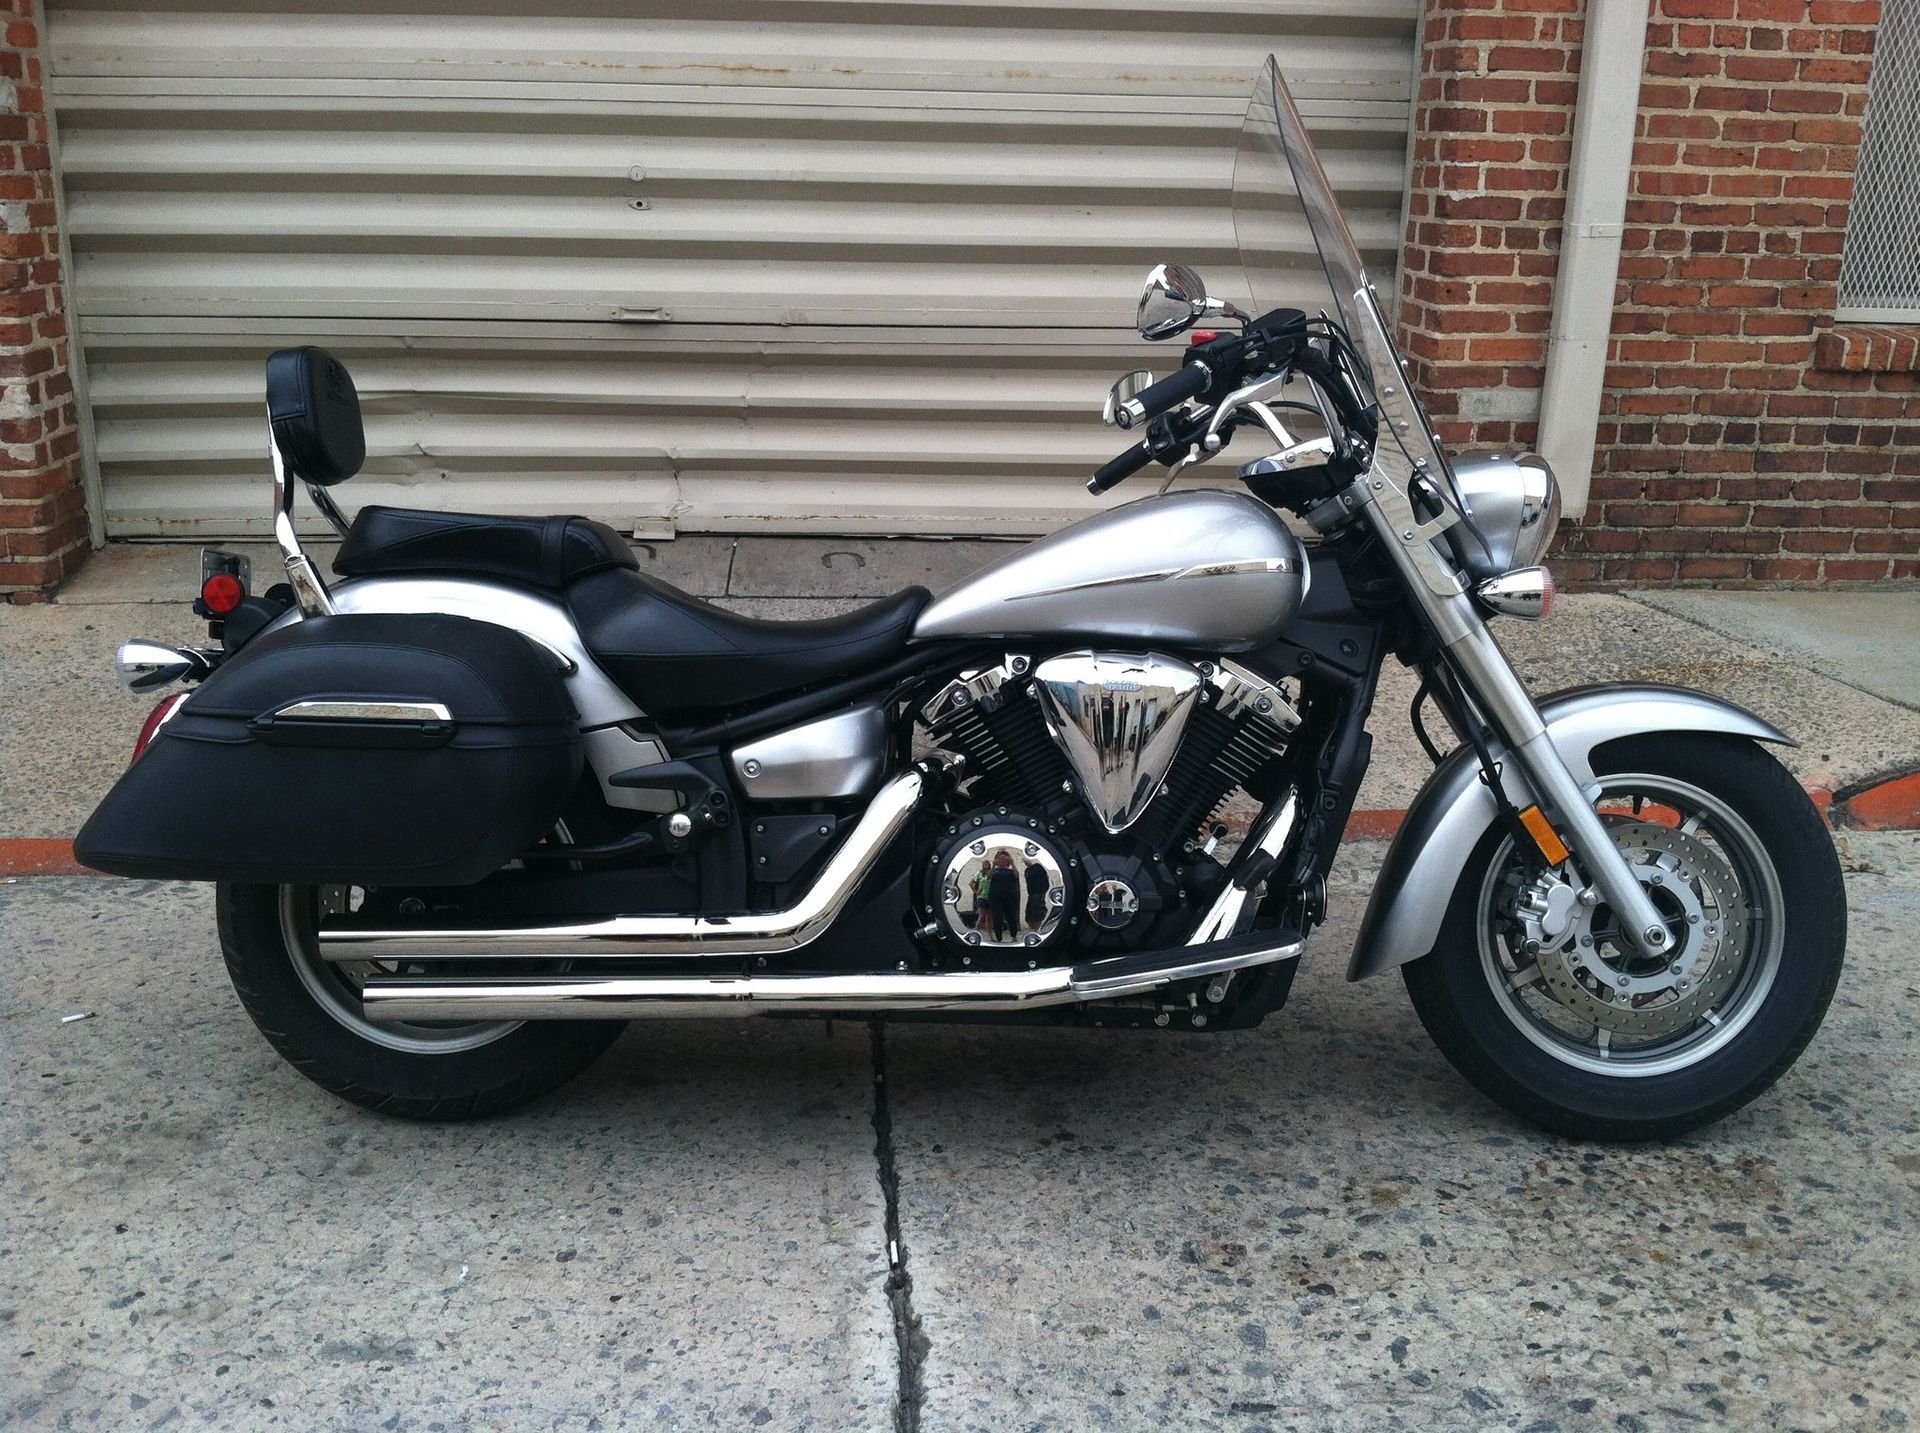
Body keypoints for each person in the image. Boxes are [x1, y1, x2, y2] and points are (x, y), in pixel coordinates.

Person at [987, 851, 1022, 942]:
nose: (1002, 861)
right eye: (1000, 859)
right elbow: (989, 877)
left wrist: (1013, 864)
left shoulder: (1011, 870)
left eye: (1004, 859)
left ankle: (1014, 936)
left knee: (1011, 917)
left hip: (1010, 897)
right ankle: (999, 937)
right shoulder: (995, 870)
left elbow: (1017, 875)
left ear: (1007, 860)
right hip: (996, 897)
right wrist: (993, 865)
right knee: (997, 917)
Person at [1023, 859, 1050, 930]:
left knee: (1038, 912)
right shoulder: (1027, 871)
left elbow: (1046, 877)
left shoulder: (1037, 867)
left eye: (1026, 860)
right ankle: (1032, 928)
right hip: (1031, 894)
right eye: (1024, 861)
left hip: (1039, 892)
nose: (1025, 862)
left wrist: (1044, 890)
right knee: (1029, 915)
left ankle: (1036, 929)